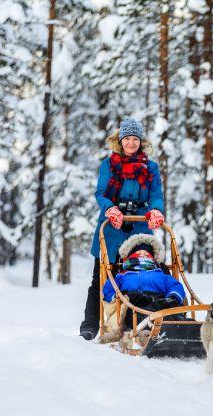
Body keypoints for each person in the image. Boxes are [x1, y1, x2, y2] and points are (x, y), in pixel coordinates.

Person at [79, 118, 165, 340]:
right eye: (127, 139)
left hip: (139, 226)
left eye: (135, 139)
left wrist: (156, 210)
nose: (131, 143)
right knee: (101, 277)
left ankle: (144, 320)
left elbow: (156, 194)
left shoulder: (151, 167)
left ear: (141, 141)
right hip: (111, 228)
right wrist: (111, 209)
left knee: (143, 274)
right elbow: (101, 193)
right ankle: (90, 325)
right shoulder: (109, 165)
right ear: (120, 141)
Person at [102, 234, 186, 320]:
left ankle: (187, 325)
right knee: (144, 315)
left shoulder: (161, 274)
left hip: (160, 302)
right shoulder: (122, 276)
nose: (142, 256)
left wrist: (172, 297)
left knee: (173, 315)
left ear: (153, 258)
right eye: (138, 253)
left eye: (146, 254)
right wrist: (122, 297)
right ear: (130, 256)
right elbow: (108, 290)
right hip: (133, 305)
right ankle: (163, 324)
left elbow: (175, 286)